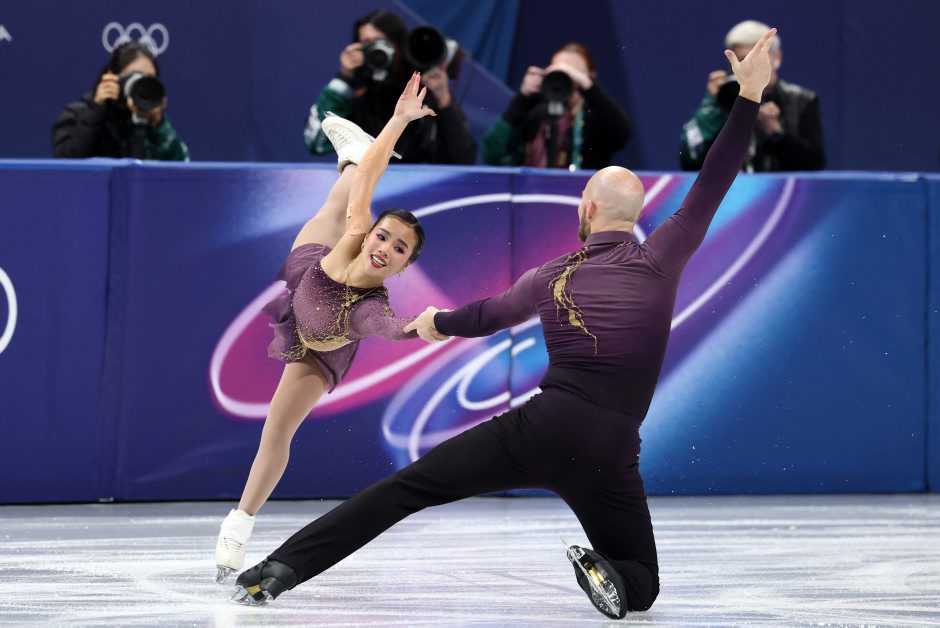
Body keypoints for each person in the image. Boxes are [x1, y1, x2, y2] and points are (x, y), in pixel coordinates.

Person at [231, 30, 776, 619]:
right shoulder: (661, 257)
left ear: (588, 209)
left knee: (407, 489)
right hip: (611, 451)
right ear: (636, 215)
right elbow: (714, 179)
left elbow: (486, 317)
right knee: (642, 584)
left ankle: (280, 568)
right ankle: (607, 569)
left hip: (536, 431)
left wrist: (437, 320)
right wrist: (747, 97)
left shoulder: (550, 276)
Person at [214, 73, 436, 582]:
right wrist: (398, 120)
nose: (385, 248)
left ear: (404, 266)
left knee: (278, 427)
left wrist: (426, 325)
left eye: (399, 249)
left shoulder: (370, 309)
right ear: (372, 233)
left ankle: (239, 521)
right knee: (345, 197)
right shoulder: (359, 233)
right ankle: (354, 152)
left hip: (322, 345)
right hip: (311, 271)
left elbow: (393, 328)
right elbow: (373, 179)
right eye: (384, 236)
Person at [303, 10, 477, 165]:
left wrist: (443, 98)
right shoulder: (356, 93)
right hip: (369, 186)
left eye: (382, 41)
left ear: (399, 45)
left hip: (422, 186)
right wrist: (344, 78)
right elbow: (316, 143)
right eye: (367, 42)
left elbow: (462, 158)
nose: (378, 49)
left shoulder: (422, 91)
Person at [679, 20, 824, 172]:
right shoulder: (723, 98)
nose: (750, 66)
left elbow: (814, 165)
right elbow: (691, 163)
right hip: (732, 187)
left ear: (777, 58)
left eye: (758, 58)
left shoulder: (801, 99)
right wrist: (713, 109)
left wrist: (775, 134)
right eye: (743, 60)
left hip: (782, 187)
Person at [482, 43, 632, 170]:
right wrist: (522, 98)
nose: (567, 79)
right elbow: (493, 153)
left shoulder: (596, 117)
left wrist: (587, 86)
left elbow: (622, 132)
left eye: (574, 73)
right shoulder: (535, 112)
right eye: (561, 72)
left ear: (590, 76)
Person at [51, 42, 189, 160]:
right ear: (112, 77)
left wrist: (158, 126)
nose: (141, 84)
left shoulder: (151, 122)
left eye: (149, 78)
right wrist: (95, 111)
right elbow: (67, 163)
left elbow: (179, 169)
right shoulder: (77, 114)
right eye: (135, 76)